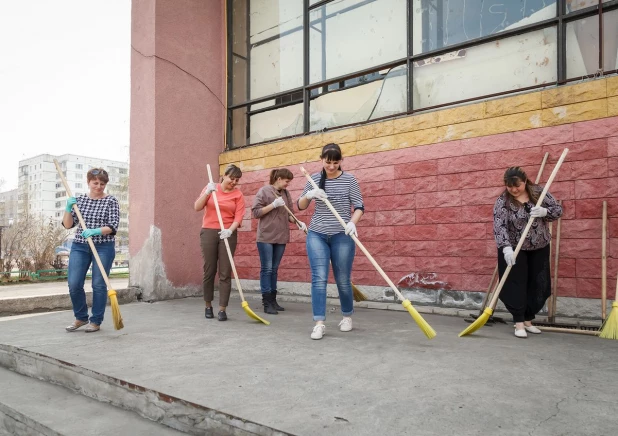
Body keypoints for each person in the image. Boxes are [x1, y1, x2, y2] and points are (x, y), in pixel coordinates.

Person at [298, 143, 364, 340]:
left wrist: (353, 223)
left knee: (342, 279)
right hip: (317, 233)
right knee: (319, 278)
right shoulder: (314, 179)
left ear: (341, 161)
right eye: (328, 162)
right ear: (322, 160)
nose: (332, 166)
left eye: (336, 162)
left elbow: (359, 206)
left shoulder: (350, 180)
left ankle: (347, 316)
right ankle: (319, 323)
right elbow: (300, 206)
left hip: (342, 235)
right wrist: (309, 194)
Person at [493, 166, 563, 338]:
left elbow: (557, 210)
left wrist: (545, 212)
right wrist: (506, 248)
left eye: (517, 185)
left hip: (539, 245)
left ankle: (528, 320)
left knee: (537, 283)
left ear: (525, 181)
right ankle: (518, 323)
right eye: (510, 186)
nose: (514, 190)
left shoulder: (539, 192)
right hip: (515, 249)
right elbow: (499, 225)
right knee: (516, 284)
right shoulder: (503, 201)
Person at [63, 168, 120, 333]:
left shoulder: (111, 201)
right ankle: (81, 317)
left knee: (98, 284)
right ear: (88, 182)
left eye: (102, 183)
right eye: (95, 183)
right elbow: (68, 225)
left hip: (103, 246)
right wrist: (68, 208)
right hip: (80, 246)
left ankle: (95, 321)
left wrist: (95, 231)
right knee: (74, 284)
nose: (99, 186)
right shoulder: (79, 200)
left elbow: (112, 226)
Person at [252, 168, 307, 315]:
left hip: (281, 236)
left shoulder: (286, 193)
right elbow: (255, 212)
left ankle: (273, 301)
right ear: (279, 179)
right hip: (266, 237)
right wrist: (273, 205)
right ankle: (266, 302)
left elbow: (290, 214)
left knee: (274, 269)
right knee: (267, 269)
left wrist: (298, 222)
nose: (288, 184)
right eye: (287, 181)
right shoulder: (264, 191)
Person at [194, 164, 245, 322]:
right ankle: (208, 305)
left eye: (237, 180)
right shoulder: (211, 188)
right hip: (209, 231)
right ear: (224, 175)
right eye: (232, 178)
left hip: (228, 233)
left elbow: (239, 217)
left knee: (225, 272)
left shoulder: (238, 195)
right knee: (209, 270)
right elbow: (197, 207)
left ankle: (222, 309)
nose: (234, 182)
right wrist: (208, 192)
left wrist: (230, 230)